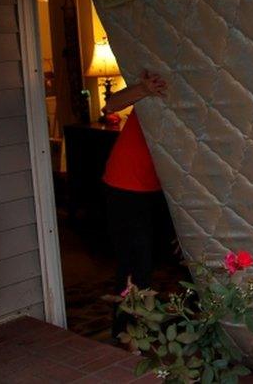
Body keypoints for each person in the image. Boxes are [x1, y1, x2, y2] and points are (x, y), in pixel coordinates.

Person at [101, 69, 168, 337]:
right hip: (124, 183)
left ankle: (142, 326)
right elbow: (110, 105)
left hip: (154, 187)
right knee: (134, 262)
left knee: (150, 260)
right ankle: (126, 333)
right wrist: (144, 88)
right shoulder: (153, 88)